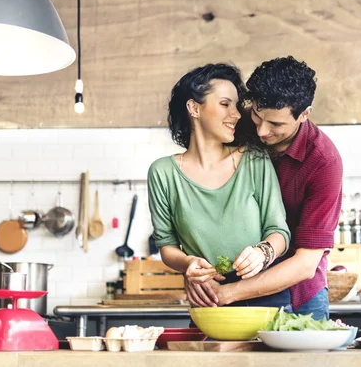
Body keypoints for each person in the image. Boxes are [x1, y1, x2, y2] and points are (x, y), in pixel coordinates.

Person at [188, 56, 343, 320]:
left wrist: (228, 294)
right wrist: (192, 270)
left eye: (276, 125)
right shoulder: (237, 124)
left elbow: (305, 264)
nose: (261, 131)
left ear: (304, 114)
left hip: (297, 295)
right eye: (258, 116)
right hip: (225, 282)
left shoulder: (323, 162)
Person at [147, 63, 292, 309]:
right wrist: (188, 264)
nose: (236, 114)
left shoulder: (254, 159)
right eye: (225, 104)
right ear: (194, 108)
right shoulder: (163, 173)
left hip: (264, 296)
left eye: (237, 106)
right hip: (208, 299)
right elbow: (167, 246)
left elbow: (279, 231)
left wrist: (262, 252)